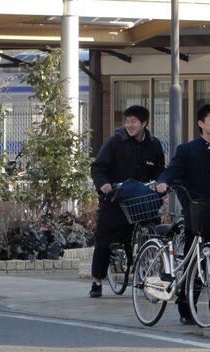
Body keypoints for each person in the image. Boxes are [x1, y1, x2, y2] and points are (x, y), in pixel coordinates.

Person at [156, 104, 210, 325]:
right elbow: (173, 169)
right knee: (195, 261)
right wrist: (163, 182)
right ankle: (186, 307)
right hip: (196, 211)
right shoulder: (188, 149)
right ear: (201, 123)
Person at [89, 105, 165, 298]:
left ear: (144, 123)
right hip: (116, 198)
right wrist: (104, 185)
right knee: (104, 237)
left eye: (134, 121)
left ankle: (154, 283)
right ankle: (97, 281)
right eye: (127, 121)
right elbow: (98, 167)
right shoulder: (115, 142)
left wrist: (161, 184)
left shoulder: (154, 144)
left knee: (154, 236)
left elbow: (159, 169)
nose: (129, 125)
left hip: (142, 199)